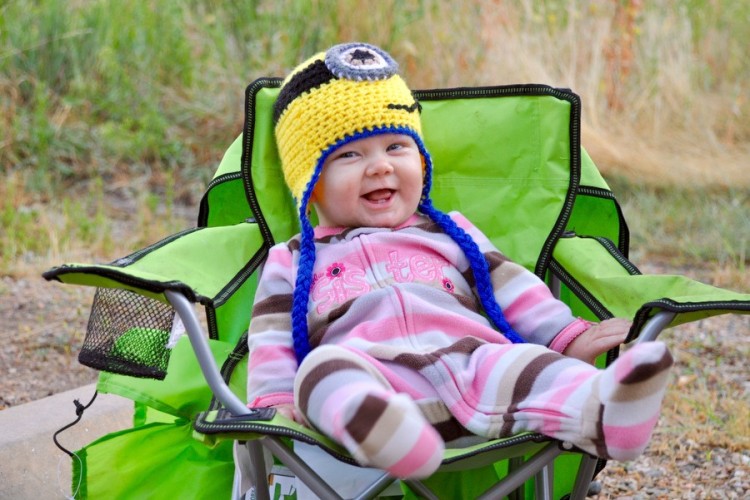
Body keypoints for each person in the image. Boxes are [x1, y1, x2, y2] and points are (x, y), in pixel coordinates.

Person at [247, 42, 673, 479]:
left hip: (476, 362)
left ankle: (606, 412)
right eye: (350, 154)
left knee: (530, 364)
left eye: (397, 146)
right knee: (320, 373)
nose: (379, 167)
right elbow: (271, 336)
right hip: (374, 374)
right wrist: (274, 397)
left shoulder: (452, 232)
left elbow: (512, 286)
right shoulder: (294, 258)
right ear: (311, 184)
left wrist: (564, 335)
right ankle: (387, 434)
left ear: (421, 159)